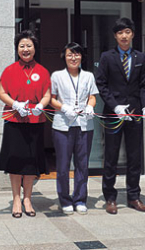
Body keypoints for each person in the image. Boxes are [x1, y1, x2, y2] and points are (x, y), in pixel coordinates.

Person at [95, 17, 145, 214]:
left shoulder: (140, 58)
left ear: (132, 34)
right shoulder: (107, 57)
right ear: (115, 36)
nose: (124, 36)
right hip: (113, 114)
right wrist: (115, 106)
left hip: (135, 114)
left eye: (127, 32)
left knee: (134, 157)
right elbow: (101, 84)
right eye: (120, 33)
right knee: (110, 156)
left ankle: (134, 196)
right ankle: (110, 197)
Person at [0, 30, 51, 218]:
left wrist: (41, 105)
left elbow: (47, 94)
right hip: (15, 120)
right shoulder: (9, 70)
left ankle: (28, 198)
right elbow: (2, 92)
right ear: (17, 49)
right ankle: (16, 198)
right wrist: (15, 104)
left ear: (34, 48)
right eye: (22, 46)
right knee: (15, 159)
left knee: (30, 160)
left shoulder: (42, 71)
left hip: (35, 120)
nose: (25, 49)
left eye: (29, 46)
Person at [49, 43, 98, 215]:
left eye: (77, 54)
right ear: (65, 56)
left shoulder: (88, 76)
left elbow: (92, 96)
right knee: (63, 165)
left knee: (82, 165)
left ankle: (80, 199)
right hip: (63, 125)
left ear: (82, 57)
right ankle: (64, 199)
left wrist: (91, 106)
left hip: (84, 126)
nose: (73, 58)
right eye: (70, 54)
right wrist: (64, 108)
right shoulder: (57, 76)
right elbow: (51, 99)